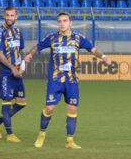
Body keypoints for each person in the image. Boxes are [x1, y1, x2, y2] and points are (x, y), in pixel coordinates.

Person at [24, 13, 112, 149]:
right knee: (49, 108)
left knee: (72, 108)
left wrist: (104, 57)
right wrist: (29, 54)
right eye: (59, 21)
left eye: (65, 21)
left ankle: (70, 141)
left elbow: (92, 49)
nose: (62, 23)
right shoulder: (52, 38)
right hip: (55, 79)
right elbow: (37, 46)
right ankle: (41, 134)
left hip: (72, 80)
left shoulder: (78, 38)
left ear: (70, 23)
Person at [0, 6, 26, 143]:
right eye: (7, 15)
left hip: (16, 72)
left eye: (12, 15)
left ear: (16, 17)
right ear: (4, 16)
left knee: (21, 102)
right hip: (5, 73)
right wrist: (12, 68)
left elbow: (20, 50)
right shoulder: (0, 32)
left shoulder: (17, 31)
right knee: (7, 101)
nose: (9, 18)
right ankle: (10, 134)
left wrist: (21, 66)